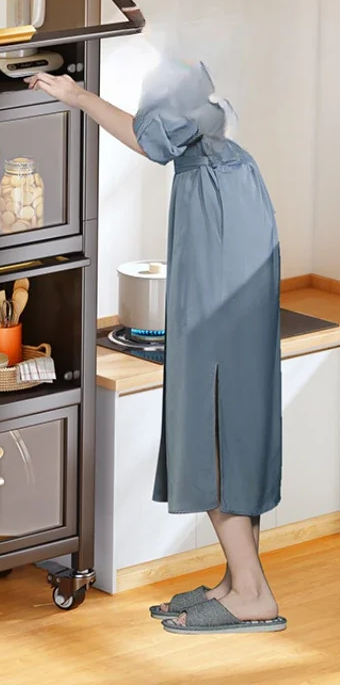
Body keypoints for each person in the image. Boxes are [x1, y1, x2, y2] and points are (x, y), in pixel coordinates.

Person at [27, 61, 286, 635]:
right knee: (233, 398)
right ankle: (239, 579)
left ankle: (250, 590)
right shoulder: (208, 47)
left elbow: (150, 139)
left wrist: (76, 95)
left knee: (212, 399)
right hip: (232, 202)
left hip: (219, 216)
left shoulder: (189, 55)